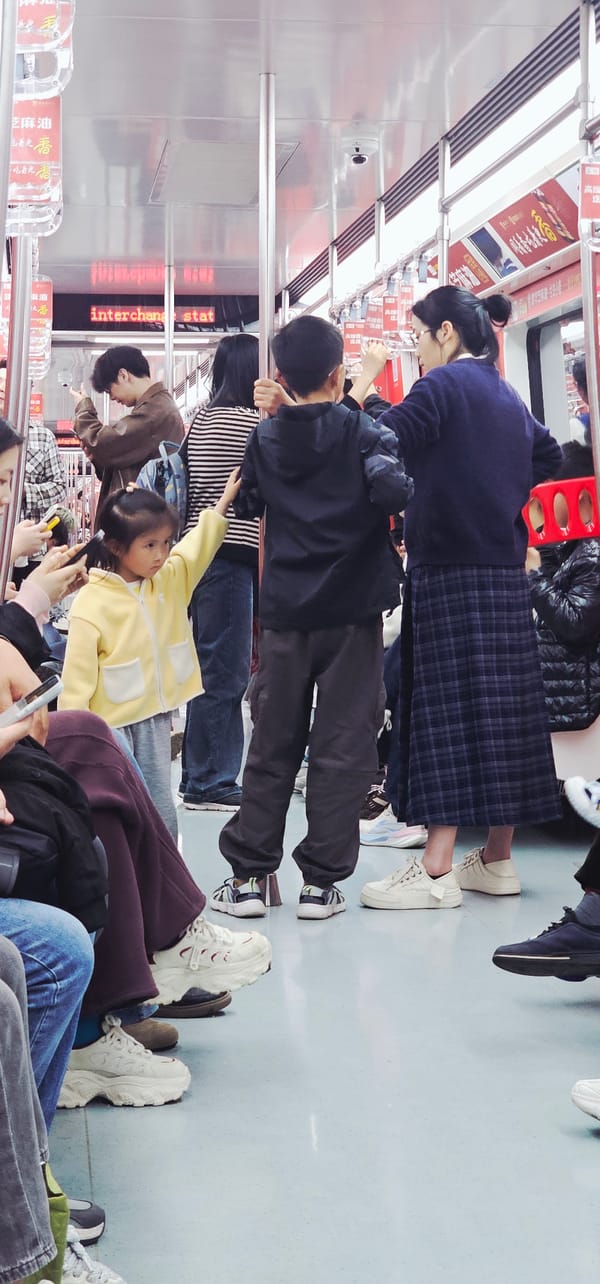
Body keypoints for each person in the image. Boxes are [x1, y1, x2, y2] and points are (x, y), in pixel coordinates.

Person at [359, 285, 563, 912]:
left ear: (445, 333)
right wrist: (495, 492)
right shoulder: (506, 394)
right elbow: (548, 454)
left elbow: (379, 438)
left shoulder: (442, 388)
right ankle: (497, 859)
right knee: (505, 712)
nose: (418, 352)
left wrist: (366, 387)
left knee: (444, 708)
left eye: (419, 338)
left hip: (448, 568)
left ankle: (436, 867)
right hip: (504, 569)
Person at [211, 315, 413, 920]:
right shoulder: (366, 433)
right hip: (352, 611)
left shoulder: (265, 439)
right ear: (337, 372)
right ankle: (321, 885)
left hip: (285, 612)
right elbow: (395, 494)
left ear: (282, 377)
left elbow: (245, 503)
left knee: (272, 740)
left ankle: (249, 877)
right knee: (343, 745)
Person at [59, 475, 240, 839]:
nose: (161, 554)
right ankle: (122, 883)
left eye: (165, 543)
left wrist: (222, 504)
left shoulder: (170, 581)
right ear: (114, 545)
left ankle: (163, 880)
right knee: (117, 808)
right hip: (110, 728)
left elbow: (197, 548)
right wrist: (73, 739)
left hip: (154, 722)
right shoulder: (92, 602)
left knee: (158, 809)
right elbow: (76, 682)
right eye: (149, 545)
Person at [180, 333, 260, 810]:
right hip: (227, 557)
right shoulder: (248, 423)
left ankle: (199, 775)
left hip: (201, 555)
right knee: (225, 672)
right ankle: (210, 780)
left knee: (210, 666)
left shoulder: (203, 420)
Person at [71, 345, 184, 518]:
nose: (112, 398)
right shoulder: (156, 407)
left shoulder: (155, 412)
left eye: (109, 390)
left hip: (140, 519)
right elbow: (123, 462)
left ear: (123, 375)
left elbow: (101, 442)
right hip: (143, 515)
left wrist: (84, 409)